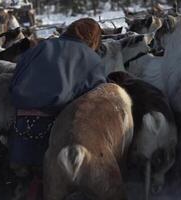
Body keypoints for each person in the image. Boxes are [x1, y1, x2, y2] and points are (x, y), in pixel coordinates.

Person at [8, 17, 108, 199]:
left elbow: (14, 81)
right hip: (59, 136)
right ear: (93, 38)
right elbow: (96, 99)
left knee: (27, 184)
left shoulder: (40, 47)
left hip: (21, 131)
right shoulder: (92, 59)